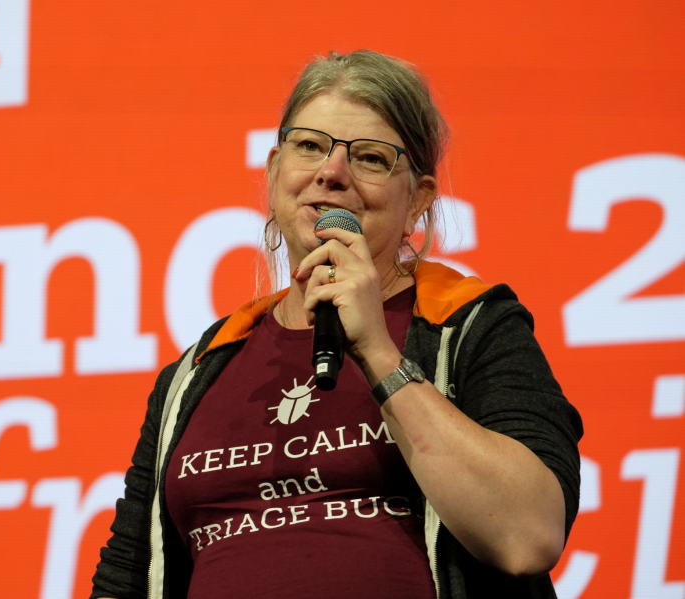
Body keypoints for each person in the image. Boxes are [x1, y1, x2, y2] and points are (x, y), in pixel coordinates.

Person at [91, 50, 583, 599]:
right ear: (276, 172)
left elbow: (527, 537)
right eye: (309, 146)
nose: (332, 172)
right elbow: (128, 577)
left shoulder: (467, 325)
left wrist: (379, 352)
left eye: (371, 158)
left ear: (417, 201)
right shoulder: (200, 370)